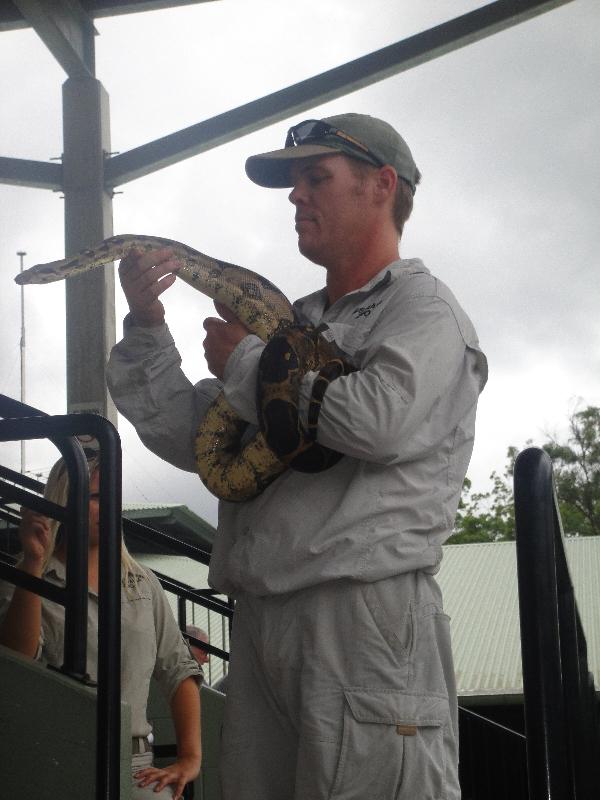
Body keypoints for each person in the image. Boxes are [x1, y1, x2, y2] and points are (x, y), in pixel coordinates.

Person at [106, 113, 488, 800]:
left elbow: (377, 422)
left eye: (317, 178)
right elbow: (188, 436)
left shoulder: (424, 310)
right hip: (259, 614)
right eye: (293, 183)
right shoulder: (298, 324)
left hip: (360, 615)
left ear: (382, 185)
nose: (296, 196)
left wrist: (248, 362)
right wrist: (147, 325)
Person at [0, 452, 203, 800]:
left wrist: (189, 757)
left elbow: (179, 670)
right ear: (64, 501)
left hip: (135, 766)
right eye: (96, 497)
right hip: (55, 759)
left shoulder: (142, 583)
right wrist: (33, 563)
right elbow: (19, 661)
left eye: (113, 494)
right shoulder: (27, 579)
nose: (109, 505)